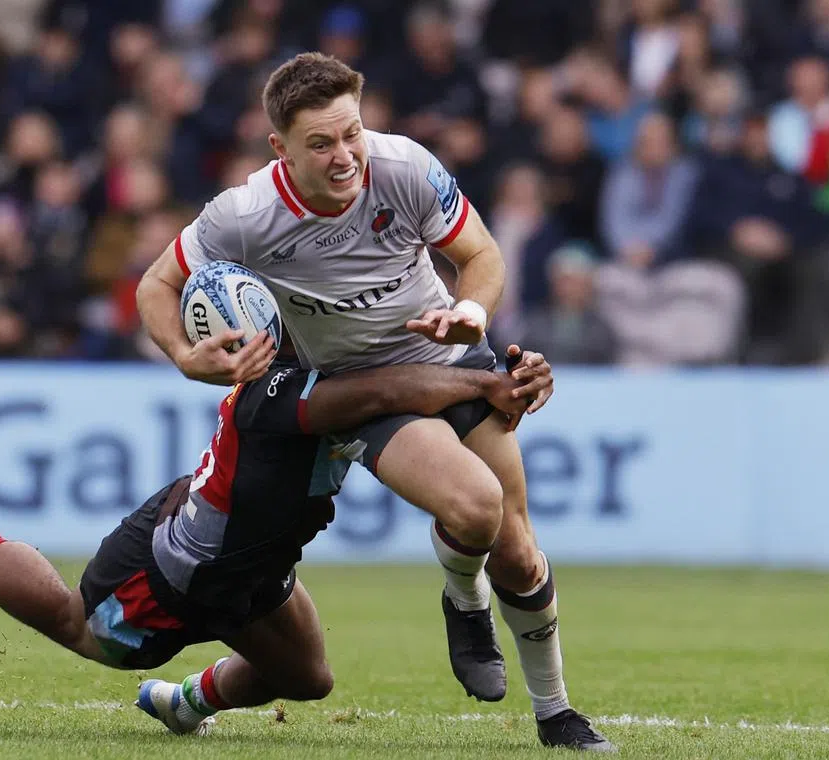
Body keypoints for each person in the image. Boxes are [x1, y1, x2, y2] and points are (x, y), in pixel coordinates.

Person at [135, 52, 614, 751]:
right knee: (474, 507)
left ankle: (554, 711)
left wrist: (470, 315)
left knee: (515, 548)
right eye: (321, 143)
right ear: (281, 149)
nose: (344, 155)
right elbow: (156, 283)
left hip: (453, 358)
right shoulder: (244, 215)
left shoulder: (406, 168)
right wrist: (186, 355)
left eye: (352, 133)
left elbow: (482, 257)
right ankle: (466, 600)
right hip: (367, 389)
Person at [0, 343, 553, 737]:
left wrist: (504, 374)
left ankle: (182, 703)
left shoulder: (332, 358)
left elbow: (413, 387)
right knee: (76, 624)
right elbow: (384, 394)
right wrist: (480, 379)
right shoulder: (277, 390)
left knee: (308, 680)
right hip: (176, 574)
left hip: (254, 564)